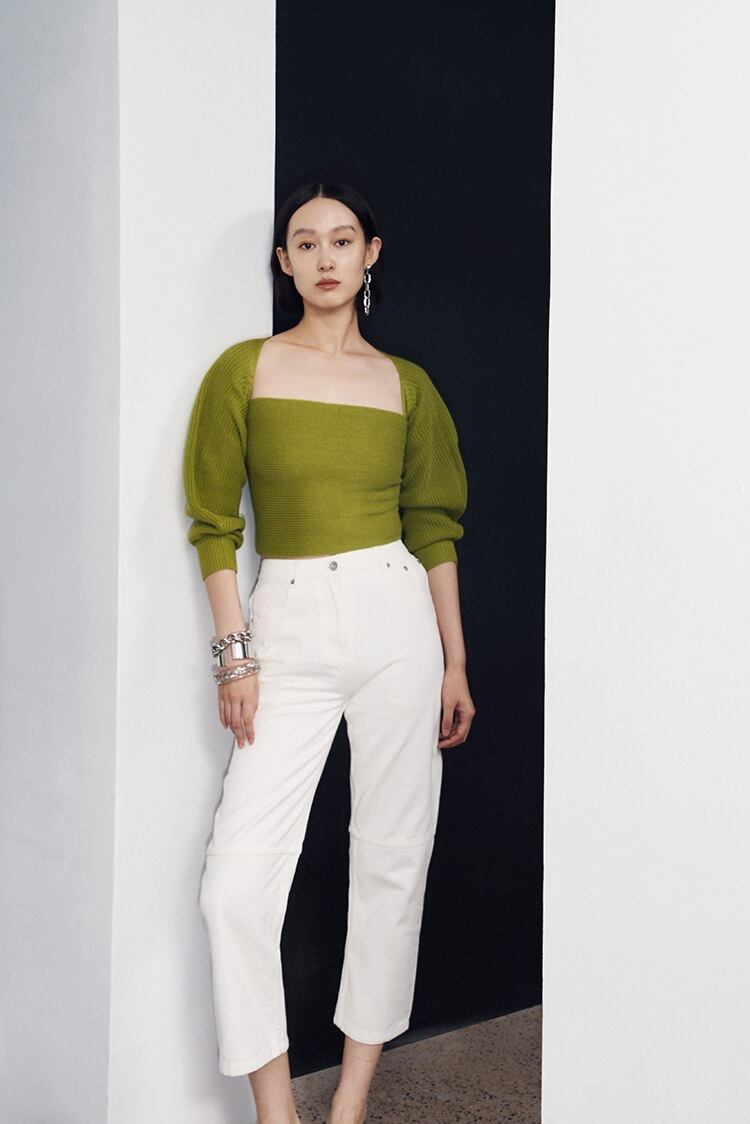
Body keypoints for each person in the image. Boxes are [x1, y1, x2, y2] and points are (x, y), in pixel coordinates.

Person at [182, 179, 475, 1124]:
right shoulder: (246, 370)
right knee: (235, 886)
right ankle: (277, 1115)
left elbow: (434, 527)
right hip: (289, 620)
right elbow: (214, 522)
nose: (324, 258)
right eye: (304, 243)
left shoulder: (407, 385)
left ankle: (349, 1103)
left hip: (399, 623)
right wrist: (234, 656)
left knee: (392, 859)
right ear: (284, 262)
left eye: (342, 240)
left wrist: (455, 662)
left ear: (370, 254)